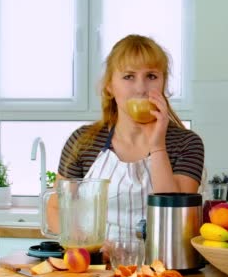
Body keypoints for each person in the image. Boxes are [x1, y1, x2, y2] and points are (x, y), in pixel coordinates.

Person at [50, 34, 205, 242]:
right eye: (128, 76)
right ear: (109, 87)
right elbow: (56, 207)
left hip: (162, 269)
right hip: (96, 268)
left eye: (151, 76)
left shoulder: (187, 143)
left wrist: (158, 146)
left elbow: (177, 217)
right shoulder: (83, 141)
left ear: (163, 84)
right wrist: (86, 245)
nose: (141, 88)